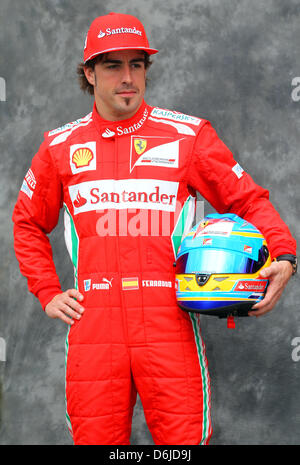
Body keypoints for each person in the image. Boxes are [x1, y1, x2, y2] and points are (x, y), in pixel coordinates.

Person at [12, 12, 297, 445]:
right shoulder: (59, 147)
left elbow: (247, 199)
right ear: (89, 73)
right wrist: (48, 291)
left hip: (169, 319)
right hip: (95, 329)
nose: (128, 77)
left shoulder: (188, 136)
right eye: (112, 65)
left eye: (137, 64)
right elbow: (27, 222)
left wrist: (285, 256)